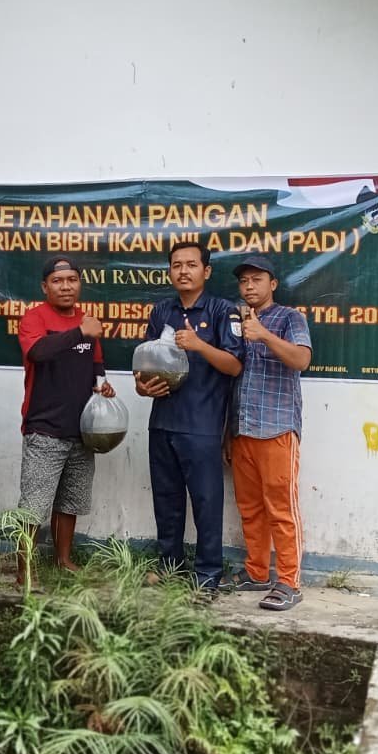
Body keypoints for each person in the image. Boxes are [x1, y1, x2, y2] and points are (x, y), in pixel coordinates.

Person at [135, 240, 244, 593]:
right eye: (176, 265)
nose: (183, 271)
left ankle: (208, 574)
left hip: (202, 424)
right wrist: (142, 387)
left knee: (206, 502)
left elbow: (234, 365)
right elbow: (145, 364)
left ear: (206, 271)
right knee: (166, 501)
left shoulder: (222, 311)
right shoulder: (161, 312)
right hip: (162, 421)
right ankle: (169, 566)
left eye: (191, 264)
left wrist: (199, 345)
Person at [15, 256, 116, 586]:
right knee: (34, 505)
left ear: (79, 284)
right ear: (45, 287)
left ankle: (63, 559)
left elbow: (97, 366)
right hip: (44, 428)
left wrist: (103, 386)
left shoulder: (87, 321)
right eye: (58, 281)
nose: (66, 286)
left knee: (70, 501)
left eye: (72, 279)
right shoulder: (34, 318)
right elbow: (37, 352)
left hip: (82, 431)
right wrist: (79, 332)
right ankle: (24, 572)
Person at [220, 255, 312, 611]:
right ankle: (256, 572)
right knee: (250, 508)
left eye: (256, 279)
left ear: (272, 284)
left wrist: (263, 334)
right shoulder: (234, 322)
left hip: (277, 428)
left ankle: (289, 582)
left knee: (281, 508)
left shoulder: (289, 318)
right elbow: (232, 378)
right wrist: (228, 432)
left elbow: (301, 360)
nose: (249, 286)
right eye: (244, 281)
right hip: (242, 429)